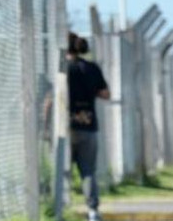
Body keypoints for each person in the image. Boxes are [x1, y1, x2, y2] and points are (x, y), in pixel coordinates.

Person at [67, 33, 110, 221]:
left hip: (64, 126)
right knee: (88, 170)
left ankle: (60, 205)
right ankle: (92, 211)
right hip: (88, 124)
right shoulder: (91, 68)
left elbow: (49, 99)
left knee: (61, 169)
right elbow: (105, 93)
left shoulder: (62, 69)